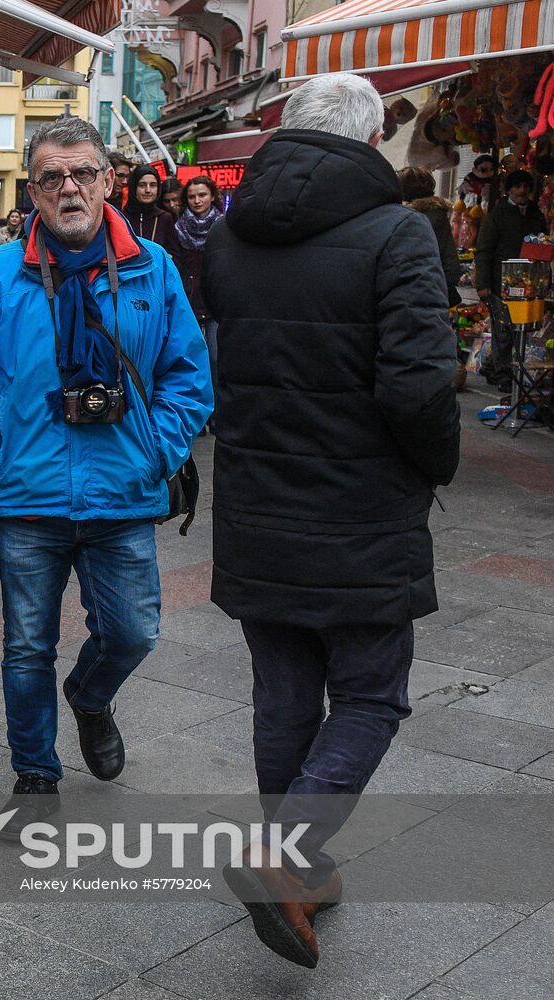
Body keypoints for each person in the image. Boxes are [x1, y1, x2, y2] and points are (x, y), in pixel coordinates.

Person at [202, 73, 460, 969]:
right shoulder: (397, 236)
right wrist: (436, 465)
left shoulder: (232, 237)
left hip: (258, 504)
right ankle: (286, 860)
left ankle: (302, 876)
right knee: (370, 692)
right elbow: (420, 386)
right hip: (358, 509)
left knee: (283, 696)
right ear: (369, 141)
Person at [0, 117, 212, 839]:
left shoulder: (152, 265)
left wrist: (157, 449)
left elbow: (189, 377)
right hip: (29, 495)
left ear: (108, 181)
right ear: (33, 190)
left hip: (123, 490)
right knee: (27, 645)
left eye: (83, 173)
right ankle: (36, 771)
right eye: (53, 177)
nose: (70, 188)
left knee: (134, 633)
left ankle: (91, 695)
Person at [473, 168, 545, 397]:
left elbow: (544, 243)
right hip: (500, 281)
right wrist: (482, 283)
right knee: (503, 331)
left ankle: (509, 371)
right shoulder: (498, 214)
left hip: (530, 283)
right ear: (509, 189)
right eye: (518, 186)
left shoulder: (535, 213)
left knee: (524, 332)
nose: (522, 190)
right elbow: (484, 250)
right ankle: (504, 375)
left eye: (525, 187)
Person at [172, 175, 223, 388]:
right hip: (188, 300)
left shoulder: (223, 227)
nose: (197, 200)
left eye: (202, 195)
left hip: (216, 302)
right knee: (189, 358)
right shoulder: (178, 227)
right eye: (192, 196)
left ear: (212, 196)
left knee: (215, 357)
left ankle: (218, 411)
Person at [398, 166, 463, 307]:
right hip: (434, 287)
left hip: (415, 290)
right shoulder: (437, 214)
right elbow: (449, 258)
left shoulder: (405, 217)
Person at [122, 164, 179, 258]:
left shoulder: (164, 218)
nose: (148, 190)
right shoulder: (122, 217)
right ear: (133, 187)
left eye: (153, 185)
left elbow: (176, 256)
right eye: (142, 185)